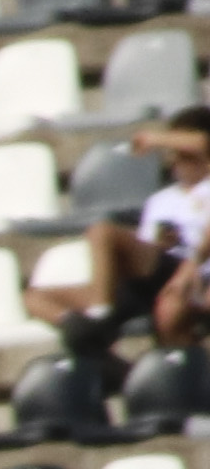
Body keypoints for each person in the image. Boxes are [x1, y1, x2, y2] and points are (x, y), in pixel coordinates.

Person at [67, 115, 210, 348]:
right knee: (101, 232)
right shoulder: (160, 200)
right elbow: (152, 244)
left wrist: (154, 138)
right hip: (164, 269)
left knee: (171, 309)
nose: (176, 160)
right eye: (174, 155)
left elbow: (200, 141)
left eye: (184, 154)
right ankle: (99, 319)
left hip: (200, 271)